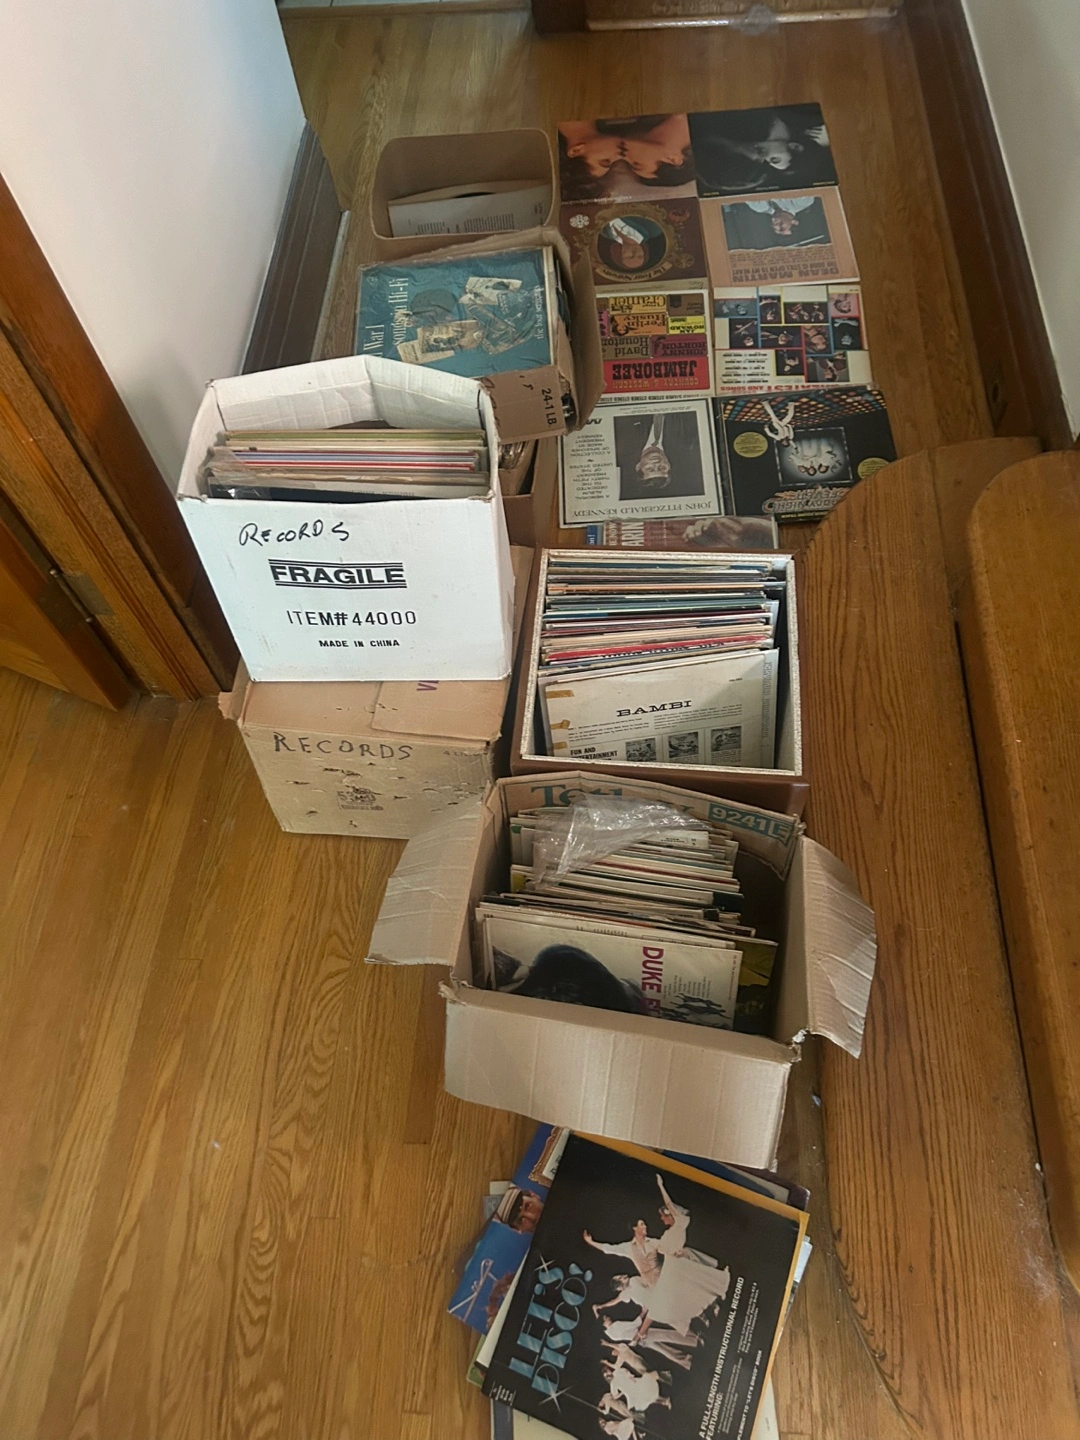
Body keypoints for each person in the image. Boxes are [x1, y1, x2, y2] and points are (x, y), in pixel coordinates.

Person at [656, 1173, 720, 1267]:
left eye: (663, 1216)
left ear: (670, 1215)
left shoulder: (680, 1223)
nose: (661, 1218)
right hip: (670, 1263)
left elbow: (669, 1204)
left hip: (678, 1262)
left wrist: (661, 1186)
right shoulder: (668, 1232)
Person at [585, 1218, 661, 1284]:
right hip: (651, 1285)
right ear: (635, 1228)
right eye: (642, 1224)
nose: (645, 1226)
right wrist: (591, 1242)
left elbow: (666, 1247)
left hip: (663, 1278)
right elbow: (609, 1248)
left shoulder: (653, 1242)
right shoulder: (628, 1247)